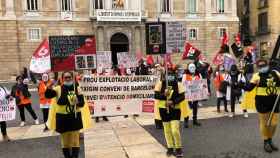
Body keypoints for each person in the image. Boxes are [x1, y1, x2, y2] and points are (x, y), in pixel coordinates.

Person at [45, 71, 91, 158]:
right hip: (62, 120)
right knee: (65, 142)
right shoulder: (58, 89)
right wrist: (49, 87)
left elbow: (82, 103)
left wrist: (77, 102)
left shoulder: (77, 88)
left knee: (75, 141)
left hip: (75, 118)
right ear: (62, 79)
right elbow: (48, 95)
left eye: (69, 77)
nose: (68, 78)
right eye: (65, 77)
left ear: (72, 78)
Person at [243, 59, 280, 153]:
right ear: (258, 67)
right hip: (262, 103)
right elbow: (249, 88)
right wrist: (239, 85)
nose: (263, 68)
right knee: (265, 124)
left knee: (274, 124)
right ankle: (266, 142)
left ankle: (270, 139)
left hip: (274, 102)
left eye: (264, 66)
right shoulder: (257, 76)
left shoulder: (275, 73)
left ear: (268, 65)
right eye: (260, 67)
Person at [154, 68, 184, 157]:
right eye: (168, 74)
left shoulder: (178, 84)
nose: (169, 76)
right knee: (167, 130)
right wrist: (164, 95)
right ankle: (170, 147)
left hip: (175, 110)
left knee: (175, 130)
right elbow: (156, 95)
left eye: (171, 74)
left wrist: (173, 102)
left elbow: (182, 97)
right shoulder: (160, 84)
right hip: (163, 110)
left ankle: (178, 148)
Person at [182, 63, 202, 128]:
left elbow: (201, 82)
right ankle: (186, 121)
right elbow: (183, 84)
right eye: (191, 67)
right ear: (188, 68)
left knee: (195, 107)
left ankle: (195, 120)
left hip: (196, 93)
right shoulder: (185, 75)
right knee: (187, 107)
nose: (192, 69)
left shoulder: (198, 75)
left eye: (193, 67)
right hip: (188, 94)